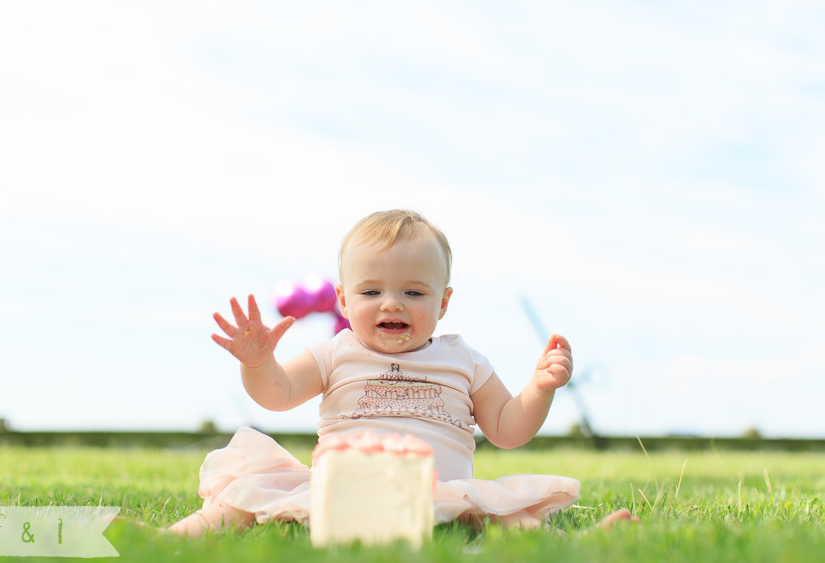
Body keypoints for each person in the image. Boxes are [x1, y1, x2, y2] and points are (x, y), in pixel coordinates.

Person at [169, 209, 633, 536]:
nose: (391, 303)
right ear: (344, 301)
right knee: (248, 494)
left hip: (441, 490)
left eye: (413, 292)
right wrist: (259, 363)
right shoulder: (335, 353)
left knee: (501, 513)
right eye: (371, 291)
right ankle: (172, 539)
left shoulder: (464, 360)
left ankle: (578, 548)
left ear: (443, 302)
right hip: (338, 490)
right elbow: (278, 393)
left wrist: (540, 388)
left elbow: (508, 429)